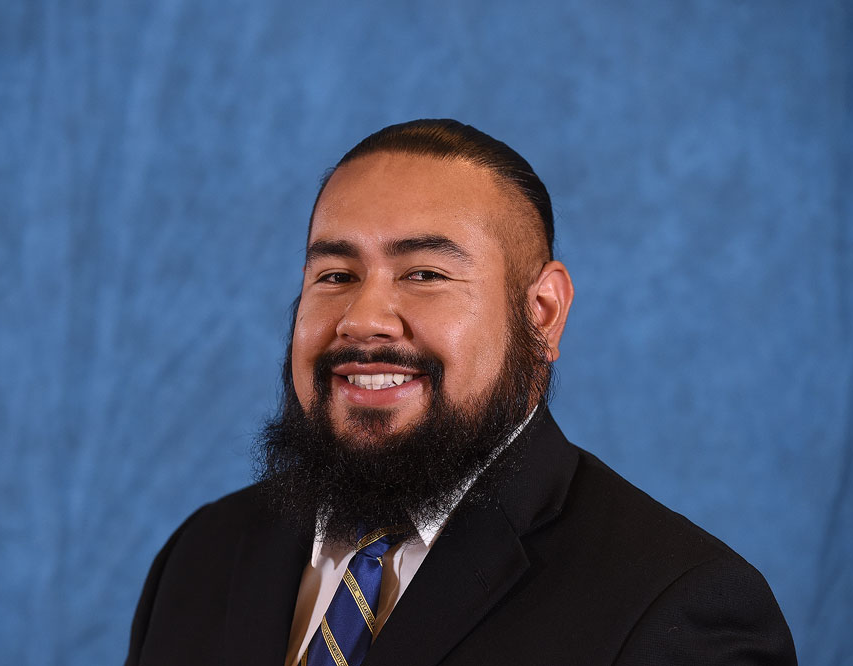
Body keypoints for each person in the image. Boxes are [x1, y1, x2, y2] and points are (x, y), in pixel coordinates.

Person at [124, 119, 797, 665]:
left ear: (542, 314)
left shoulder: (678, 608)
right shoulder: (201, 556)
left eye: (424, 274)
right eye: (335, 275)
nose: (362, 318)